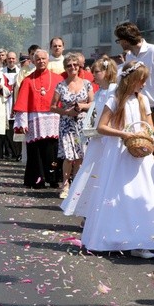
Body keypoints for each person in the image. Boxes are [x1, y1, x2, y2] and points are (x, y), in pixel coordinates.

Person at [80, 61, 154, 257]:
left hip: (139, 151)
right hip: (119, 152)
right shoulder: (115, 99)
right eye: (140, 81)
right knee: (119, 194)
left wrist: (144, 132)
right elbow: (102, 127)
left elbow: (150, 126)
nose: (143, 85)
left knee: (142, 193)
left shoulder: (142, 99)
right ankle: (114, 237)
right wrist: (123, 135)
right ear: (131, 80)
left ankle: (141, 239)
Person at [61, 56, 117, 216]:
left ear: (106, 72)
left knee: (102, 173)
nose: (93, 76)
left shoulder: (113, 92)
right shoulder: (100, 92)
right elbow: (94, 109)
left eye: (97, 72)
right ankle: (89, 211)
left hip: (106, 137)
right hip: (96, 137)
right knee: (91, 173)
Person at [114, 21, 154, 131]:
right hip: (139, 108)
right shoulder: (130, 56)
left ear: (125, 40)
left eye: (119, 40)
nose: (119, 44)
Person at [13, 49, 62, 188]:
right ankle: (37, 179)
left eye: (43, 59)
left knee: (52, 150)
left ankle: (53, 178)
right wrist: (22, 122)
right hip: (34, 118)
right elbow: (22, 102)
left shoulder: (58, 79)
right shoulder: (28, 80)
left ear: (48, 60)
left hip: (53, 118)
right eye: (38, 59)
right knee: (36, 151)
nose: (41, 61)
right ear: (33, 62)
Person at [52, 52, 94, 198]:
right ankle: (65, 184)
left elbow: (92, 104)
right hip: (67, 125)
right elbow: (52, 106)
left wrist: (82, 106)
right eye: (69, 65)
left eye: (75, 65)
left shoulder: (87, 84)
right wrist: (66, 112)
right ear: (65, 68)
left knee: (80, 155)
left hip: (82, 124)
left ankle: (77, 183)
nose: (72, 68)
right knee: (69, 156)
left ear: (79, 66)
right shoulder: (60, 86)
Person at [2, 51, 21, 160]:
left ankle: (17, 152)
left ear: (16, 60)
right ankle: (7, 151)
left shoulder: (20, 72)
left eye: (13, 58)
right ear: (6, 59)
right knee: (6, 129)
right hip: (5, 102)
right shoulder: (1, 72)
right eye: (9, 58)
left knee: (16, 128)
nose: (11, 60)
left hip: (16, 102)